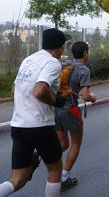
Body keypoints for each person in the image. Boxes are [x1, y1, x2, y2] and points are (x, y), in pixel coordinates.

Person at [0, 28, 67, 197]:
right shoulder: (52, 62)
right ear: (60, 48)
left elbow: (15, 89)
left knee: (18, 178)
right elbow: (39, 90)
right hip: (40, 125)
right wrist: (55, 100)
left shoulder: (29, 60)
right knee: (55, 169)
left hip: (19, 125)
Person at [54, 41, 97, 191]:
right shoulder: (84, 69)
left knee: (63, 144)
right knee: (76, 143)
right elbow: (85, 96)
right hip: (70, 108)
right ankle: (64, 177)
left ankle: (41, 157)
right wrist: (93, 97)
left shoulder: (63, 65)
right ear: (85, 52)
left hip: (56, 108)